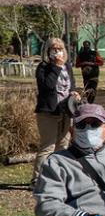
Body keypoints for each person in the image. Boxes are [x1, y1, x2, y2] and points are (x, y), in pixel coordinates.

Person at [33, 37, 79, 185]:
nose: (57, 52)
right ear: (48, 51)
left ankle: (58, 176)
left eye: (60, 49)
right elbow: (47, 85)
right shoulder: (43, 67)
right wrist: (56, 67)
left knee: (63, 145)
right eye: (54, 49)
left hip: (66, 111)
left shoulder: (68, 66)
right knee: (48, 146)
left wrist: (74, 93)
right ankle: (37, 179)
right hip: (48, 112)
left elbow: (71, 85)